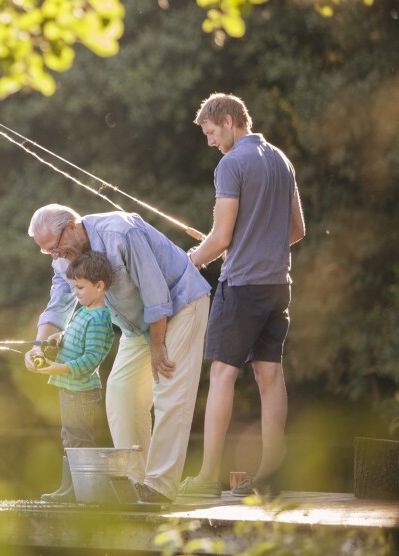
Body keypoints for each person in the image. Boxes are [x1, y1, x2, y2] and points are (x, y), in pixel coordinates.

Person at [26, 204, 210, 503]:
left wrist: (158, 345)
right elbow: (59, 300)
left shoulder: (121, 232)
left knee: (169, 389)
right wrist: (38, 346)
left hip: (179, 303)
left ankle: (160, 486)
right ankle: (135, 481)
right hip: (136, 323)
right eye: (47, 252)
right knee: (121, 390)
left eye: (55, 246)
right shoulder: (63, 258)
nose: (55, 255)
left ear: (72, 225)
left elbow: (155, 292)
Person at [179, 93, 306, 498]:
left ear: (231, 120)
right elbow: (297, 230)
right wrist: (254, 243)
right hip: (278, 286)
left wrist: (190, 262)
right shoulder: (281, 160)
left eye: (212, 132)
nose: (210, 142)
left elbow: (218, 239)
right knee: (270, 375)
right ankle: (270, 477)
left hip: (242, 286)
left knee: (222, 374)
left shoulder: (231, 164)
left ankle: (207, 477)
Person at [31, 251, 115, 502]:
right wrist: (59, 338)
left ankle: (81, 491)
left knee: (79, 440)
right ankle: (69, 489)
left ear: (99, 286)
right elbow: (73, 338)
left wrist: (60, 368)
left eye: (80, 287)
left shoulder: (100, 318)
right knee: (69, 437)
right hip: (69, 389)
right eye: (73, 287)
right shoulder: (82, 311)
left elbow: (91, 359)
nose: (75, 293)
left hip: (81, 392)